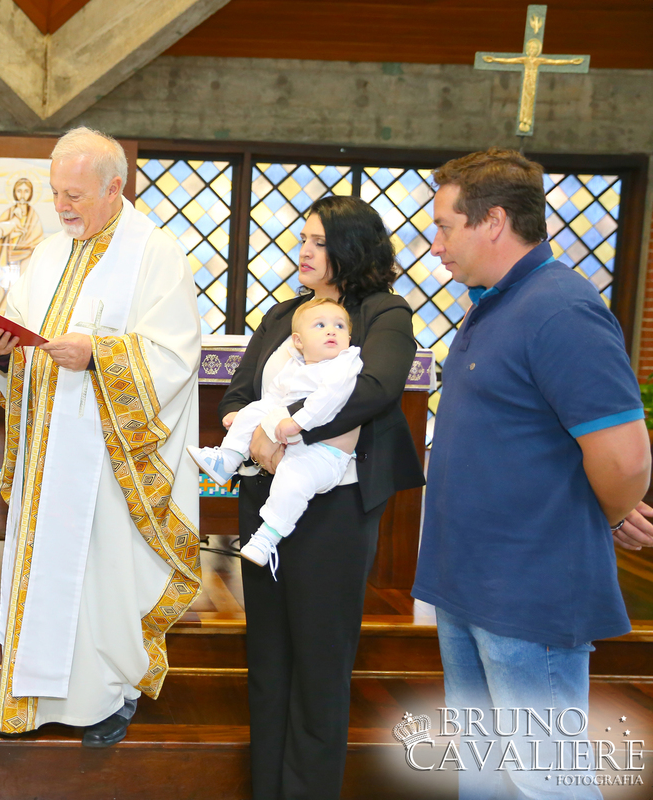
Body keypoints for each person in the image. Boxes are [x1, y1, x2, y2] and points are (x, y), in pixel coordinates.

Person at [412, 148, 651, 799]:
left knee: (549, 781)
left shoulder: (560, 309)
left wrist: (594, 513)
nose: (435, 245)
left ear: (492, 221)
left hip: (525, 590)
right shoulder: (494, 301)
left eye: (444, 226)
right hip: (468, 581)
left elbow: (626, 457)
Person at [0, 126, 202, 747]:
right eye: (56, 194)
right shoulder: (48, 254)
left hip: (109, 462)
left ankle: (106, 698)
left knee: (100, 578)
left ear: (114, 186)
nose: (62, 206)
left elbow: (175, 356)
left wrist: (99, 354)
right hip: (46, 454)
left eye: (74, 194)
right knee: (45, 574)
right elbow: (21, 339)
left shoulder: (156, 253)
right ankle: (35, 703)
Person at [219, 194, 425, 798]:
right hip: (264, 499)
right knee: (269, 661)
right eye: (301, 239)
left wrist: (292, 431)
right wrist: (253, 435)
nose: (302, 251)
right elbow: (237, 392)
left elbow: (377, 388)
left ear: (352, 246)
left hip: (335, 504)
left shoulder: (383, 312)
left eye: (317, 241)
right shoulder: (283, 315)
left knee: (318, 665)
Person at [191, 298, 362, 570]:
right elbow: (272, 399)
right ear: (298, 341)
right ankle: (226, 460)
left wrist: (298, 422)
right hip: (290, 440)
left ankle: (267, 537)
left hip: (323, 455)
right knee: (254, 409)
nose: (332, 331)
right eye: (321, 325)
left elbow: (329, 400)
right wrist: (248, 419)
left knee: (291, 479)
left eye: (339, 326)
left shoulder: (344, 364)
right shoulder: (295, 366)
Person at [0, 176, 44, 311]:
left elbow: (38, 240)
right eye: (19, 191)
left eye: (26, 191)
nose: (22, 194)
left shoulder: (33, 215)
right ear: (14, 193)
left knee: (20, 292)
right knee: (6, 290)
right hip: (7, 258)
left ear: (31, 193)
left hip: (26, 259)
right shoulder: (8, 213)